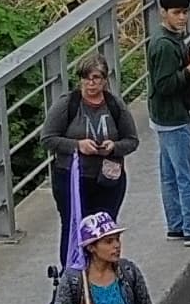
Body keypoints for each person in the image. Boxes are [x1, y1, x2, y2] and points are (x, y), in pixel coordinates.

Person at [45, 59, 141, 238]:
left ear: (104, 80)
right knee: (73, 227)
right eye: (85, 78)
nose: (91, 83)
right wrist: (78, 145)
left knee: (105, 229)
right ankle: (72, 258)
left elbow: (132, 140)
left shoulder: (115, 105)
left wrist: (114, 147)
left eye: (96, 78)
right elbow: (48, 139)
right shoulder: (67, 104)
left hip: (108, 179)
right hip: (72, 177)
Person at [146, 0, 190, 243]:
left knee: (170, 175)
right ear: (163, 13)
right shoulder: (164, 45)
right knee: (187, 176)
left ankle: (176, 225)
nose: (182, 17)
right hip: (174, 119)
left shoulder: (163, 39)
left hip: (162, 117)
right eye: (176, 13)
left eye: (185, 12)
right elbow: (164, 85)